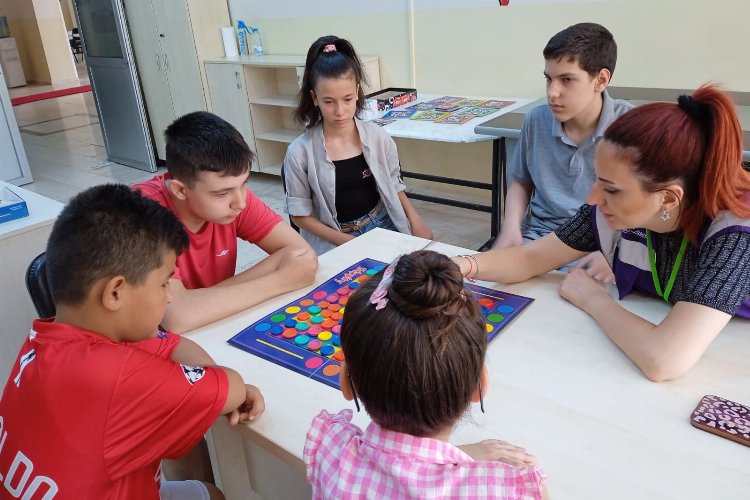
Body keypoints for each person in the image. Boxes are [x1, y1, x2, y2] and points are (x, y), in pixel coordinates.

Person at [457, 85, 750, 382]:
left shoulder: (734, 234)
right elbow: (532, 258)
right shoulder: (617, 211)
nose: (594, 198)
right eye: (597, 179)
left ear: (669, 198)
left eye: (611, 189)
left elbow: (664, 359)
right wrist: (463, 266)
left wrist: (595, 300)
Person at [0, 185, 265, 499]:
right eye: (164, 282)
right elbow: (233, 389)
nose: (169, 297)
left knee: (208, 494)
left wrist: (205, 381)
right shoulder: (117, 378)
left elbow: (169, 343)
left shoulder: (48, 340)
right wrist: (219, 383)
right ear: (115, 293)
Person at [304, 250, 548, 499]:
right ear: (480, 386)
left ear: (346, 381)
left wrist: (460, 457)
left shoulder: (331, 448)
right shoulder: (508, 490)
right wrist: (464, 458)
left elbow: (402, 468)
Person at [135, 111, 318, 334]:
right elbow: (177, 317)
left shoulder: (233, 199)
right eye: (222, 193)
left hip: (211, 328)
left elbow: (300, 253)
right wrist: (281, 280)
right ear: (180, 190)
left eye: (244, 184)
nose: (240, 202)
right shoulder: (142, 215)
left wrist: (202, 302)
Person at [495, 22, 632, 282]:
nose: (551, 92)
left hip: (602, 249)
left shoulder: (632, 127)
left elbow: (648, 207)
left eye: (567, 79)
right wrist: (511, 227)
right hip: (539, 240)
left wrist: (619, 250)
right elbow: (521, 181)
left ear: (601, 80)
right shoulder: (536, 120)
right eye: (548, 78)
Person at [283, 35, 433, 255]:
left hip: (383, 223)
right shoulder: (299, 153)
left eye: (347, 99)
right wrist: (349, 243)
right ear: (314, 98)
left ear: (357, 94)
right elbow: (299, 215)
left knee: (412, 279)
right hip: (334, 236)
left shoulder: (378, 138)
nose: (340, 111)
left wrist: (415, 219)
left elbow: (393, 183)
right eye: (328, 101)